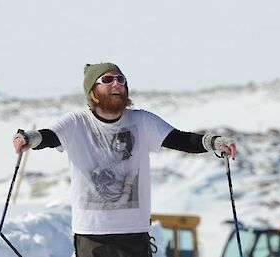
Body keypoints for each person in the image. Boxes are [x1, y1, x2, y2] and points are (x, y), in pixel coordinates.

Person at [13, 62, 236, 257]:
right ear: (92, 91)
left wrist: (212, 142)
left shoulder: (142, 121)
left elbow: (181, 140)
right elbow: (48, 136)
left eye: (121, 79)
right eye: (107, 79)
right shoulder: (77, 123)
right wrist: (28, 138)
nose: (117, 84)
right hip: (92, 236)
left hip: (133, 235)